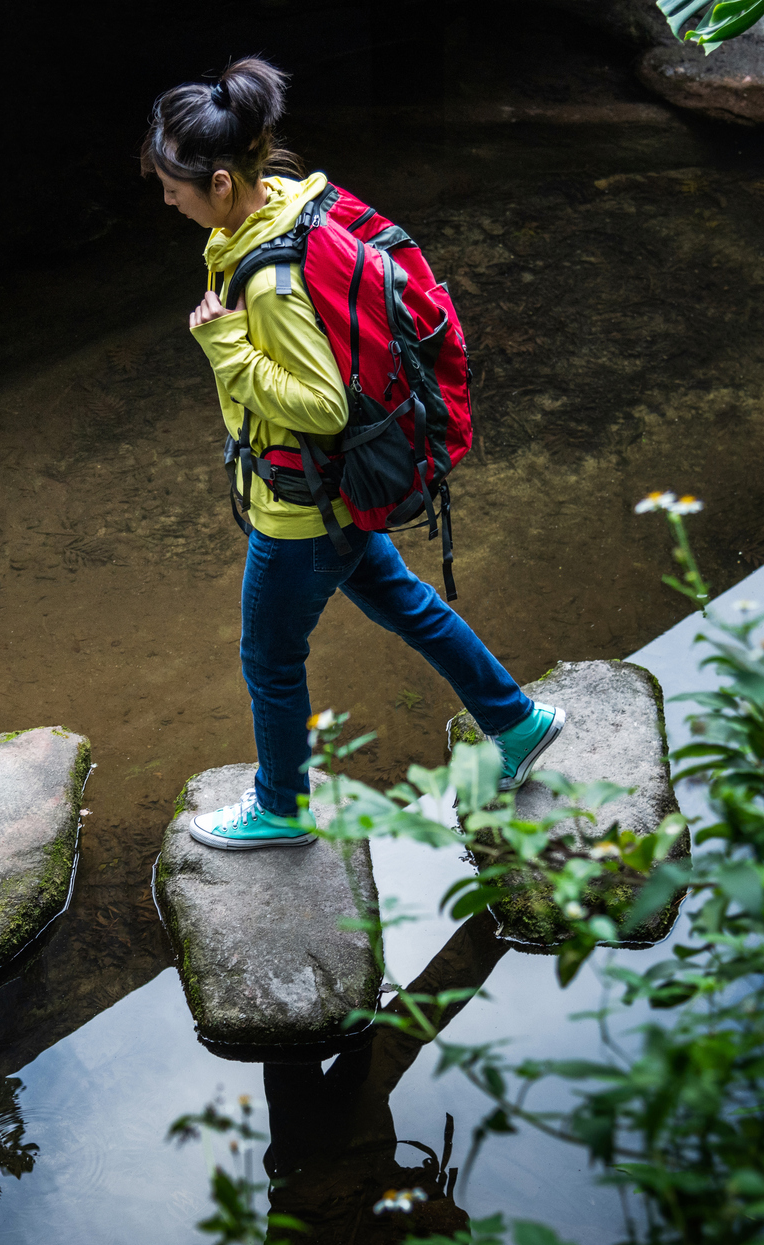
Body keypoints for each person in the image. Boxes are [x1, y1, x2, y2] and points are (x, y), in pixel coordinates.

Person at [140, 56, 564, 851]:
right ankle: (516, 721)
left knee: (267, 659)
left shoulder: (267, 283)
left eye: (174, 188)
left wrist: (224, 346)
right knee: (404, 603)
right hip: (339, 492)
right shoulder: (295, 203)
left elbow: (322, 405)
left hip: (303, 508)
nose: (167, 200)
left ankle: (280, 810)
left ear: (224, 183)